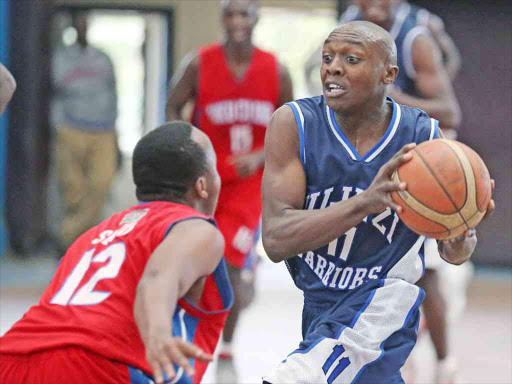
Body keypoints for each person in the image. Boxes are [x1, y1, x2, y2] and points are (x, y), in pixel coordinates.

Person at [260, 21, 494, 384]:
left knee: (296, 378)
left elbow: (453, 253)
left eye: (351, 59)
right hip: (320, 301)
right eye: (327, 58)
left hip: (383, 303)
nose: (333, 67)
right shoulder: (295, 123)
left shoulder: (422, 137)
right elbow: (275, 240)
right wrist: (364, 203)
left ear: (389, 73)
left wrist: (459, 238)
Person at [0, 121, 234, 384]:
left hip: (11, 360)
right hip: (93, 365)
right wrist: (157, 333)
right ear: (202, 185)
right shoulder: (196, 229)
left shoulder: (92, 236)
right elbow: (158, 277)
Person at [165, 0, 293, 382]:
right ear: (222, 20)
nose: (237, 22)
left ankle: (227, 343)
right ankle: (183, 329)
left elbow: (291, 125)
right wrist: (190, 144)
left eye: (244, 14)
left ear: (257, 19)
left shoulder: (277, 69)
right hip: (203, 177)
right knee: (192, 253)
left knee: (231, 261)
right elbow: (172, 107)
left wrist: (260, 154)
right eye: (230, 15)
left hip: (248, 183)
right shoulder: (199, 62)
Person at [51, 11, 119, 253]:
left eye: (86, 23)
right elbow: (57, 88)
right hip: (71, 128)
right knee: (73, 191)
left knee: (101, 184)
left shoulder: (103, 58)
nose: (82, 27)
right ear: (72, 26)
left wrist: (115, 131)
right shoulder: (61, 57)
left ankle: (67, 236)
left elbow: (114, 94)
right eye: (78, 23)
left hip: (102, 130)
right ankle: (81, 245)